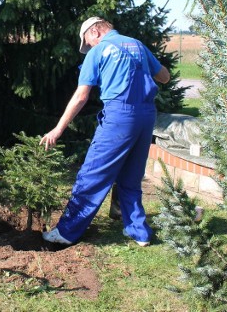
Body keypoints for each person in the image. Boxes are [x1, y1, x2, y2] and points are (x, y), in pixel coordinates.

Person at [40, 17, 170, 247]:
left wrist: (58, 129)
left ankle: (67, 232)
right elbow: (164, 77)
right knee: (131, 177)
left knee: (93, 174)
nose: (88, 46)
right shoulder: (137, 45)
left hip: (120, 117)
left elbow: (81, 96)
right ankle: (139, 233)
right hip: (147, 115)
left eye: (87, 41)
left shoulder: (99, 51)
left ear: (96, 31)